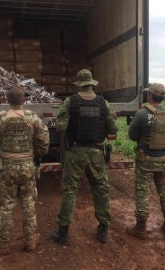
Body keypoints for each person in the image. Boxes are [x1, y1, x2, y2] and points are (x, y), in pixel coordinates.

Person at [50, 69, 118, 245]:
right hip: (96, 153)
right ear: (91, 83)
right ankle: (103, 229)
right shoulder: (104, 103)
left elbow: (60, 127)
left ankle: (63, 232)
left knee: (69, 190)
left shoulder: (70, 101)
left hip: (75, 152)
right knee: (101, 189)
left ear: (79, 84)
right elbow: (112, 129)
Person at [0, 86, 50, 255]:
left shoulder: (0, 119)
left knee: (7, 206)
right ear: (24, 100)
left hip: (7, 167)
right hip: (28, 166)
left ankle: (3, 245)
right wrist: (38, 155)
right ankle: (30, 242)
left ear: (7, 100)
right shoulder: (32, 118)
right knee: (28, 203)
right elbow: (43, 140)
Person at [126, 83, 165, 239]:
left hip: (146, 160)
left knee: (142, 192)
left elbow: (132, 136)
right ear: (162, 97)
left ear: (150, 96)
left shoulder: (142, 114)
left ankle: (140, 228)